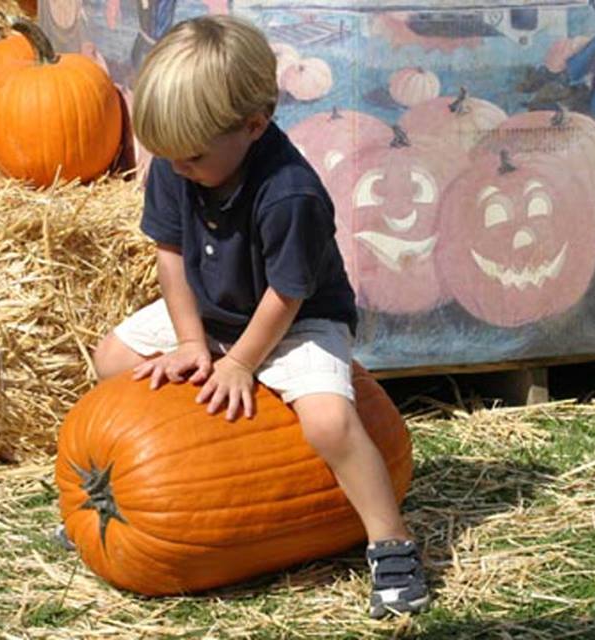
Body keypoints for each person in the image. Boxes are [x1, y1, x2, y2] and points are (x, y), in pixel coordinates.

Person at [90, 14, 429, 619]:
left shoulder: (290, 194)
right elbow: (170, 257)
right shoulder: (177, 161)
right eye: (166, 156)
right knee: (112, 359)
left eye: (190, 156)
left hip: (296, 320)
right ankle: (146, 498)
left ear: (253, 126)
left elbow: (287, 294)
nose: (176, 167)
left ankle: (391, 540)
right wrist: (193, 341)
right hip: (211, 307)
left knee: (328, 421)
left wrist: (243, 360)